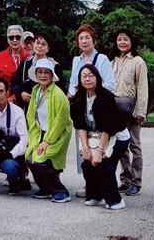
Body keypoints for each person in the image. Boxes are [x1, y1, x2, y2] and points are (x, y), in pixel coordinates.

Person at [70, 64, 130, 209]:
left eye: (91, 75)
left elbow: (108, 127)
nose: (87, 78)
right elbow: (80, 125)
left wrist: (100, 151)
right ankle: (96, 196)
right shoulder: (78, 98)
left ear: (97, 77)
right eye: (84, 76)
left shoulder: (106, 97)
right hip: (93, 137)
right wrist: (85, 148)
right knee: (87, 164)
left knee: (105, 166)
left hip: (117, 137)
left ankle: (115, 200)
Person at [68, 24, 115, 197]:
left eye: (87, 37)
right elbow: (73, 83)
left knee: (101, 147)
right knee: (84, 145)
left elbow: (110, 84)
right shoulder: (76, 61)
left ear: (94, 40)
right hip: (82, 106)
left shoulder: (102, 59)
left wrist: (92, 89)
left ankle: (102, 185)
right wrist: (71, 95)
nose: (84, 41)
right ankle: (89, 184)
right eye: (81, 38)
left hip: (99, 107)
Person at [26, 59, 72, 203]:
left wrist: (47, 140)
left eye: (46, 72)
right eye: (40, 72)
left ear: (52, 75)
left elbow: (61, 120)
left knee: (40, 160)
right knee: (30, 158)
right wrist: (33, 138)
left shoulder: (58, 94)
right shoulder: (36, 90)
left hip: (56, 134)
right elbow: (31, 115)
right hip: (40, 132)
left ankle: (61, 191)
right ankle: (45, 188)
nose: (43, 75)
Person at [111, 29, 148, 196]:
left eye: (125, 39)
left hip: (132, 109)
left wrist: (141, 111)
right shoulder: (113, 62)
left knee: (134, 146)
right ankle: (125, 179)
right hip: (116, 109)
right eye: (119, 39)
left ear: (132, 41)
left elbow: (142, 87)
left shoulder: (138, 62)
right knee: (121, 145)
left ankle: (136, 181)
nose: (122, 42)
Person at [12, 32, 66, 112]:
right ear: (33, 44)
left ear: (48, 48)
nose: (40, 46)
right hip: (27, 107)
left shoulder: (54, 65)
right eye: (37, 43)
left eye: (43, 44)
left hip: (48, 107)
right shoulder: (25, 63)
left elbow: (61, 88)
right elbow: (14, 83)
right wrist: (21, 93)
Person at [0, 25, 30, 99]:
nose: (14, 40)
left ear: (22, 39)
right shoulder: (0, 56)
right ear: (8, 40)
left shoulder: (28, 57)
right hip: (4, 97)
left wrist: (16, 95)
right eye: (11, 37)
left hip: (23, 97)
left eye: (17, 37)